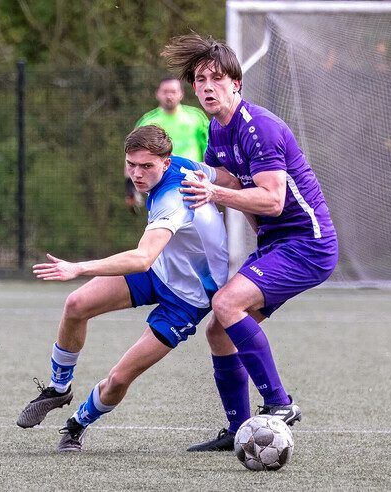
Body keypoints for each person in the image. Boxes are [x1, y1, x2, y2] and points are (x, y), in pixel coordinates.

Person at [161, 33, 339, 451]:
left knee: (226, 304)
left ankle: (280, 404)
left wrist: (216, 194)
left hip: (307, 243)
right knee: (219, 331)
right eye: (199, 79)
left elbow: (273, 200)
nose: (206, 87)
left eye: (216, 79)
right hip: (278, 243)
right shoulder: (216, 129)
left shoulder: (259, 127)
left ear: (236, 84)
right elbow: (223, 178)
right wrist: (187, 174)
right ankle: (240, 429)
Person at [16, 125, 235, 452]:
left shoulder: (174, 197)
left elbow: (143, 257)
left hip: (188, 300)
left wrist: (77, 267)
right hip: (163, 270)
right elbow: (228, 179)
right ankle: (58, 388)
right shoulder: (185, 165)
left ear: (165, 162)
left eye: (146, 166)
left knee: (119, 379)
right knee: (76, 305)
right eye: (131, 164)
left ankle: (77, 424)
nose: (136, 173)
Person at [125, 77, 210, 213]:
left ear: (181, 93)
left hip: (194, 185)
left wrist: (210, 176)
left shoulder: (196, 117)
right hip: (162, 187)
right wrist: (130, 188)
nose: (169, 96)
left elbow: (209, 149)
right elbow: (132, 154)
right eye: (165, 92)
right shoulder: (148, 120)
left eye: (173, 91)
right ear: (157, 93)